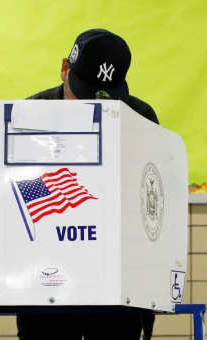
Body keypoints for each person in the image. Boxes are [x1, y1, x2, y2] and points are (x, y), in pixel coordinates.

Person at [17, 28, 159, 340]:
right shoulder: (28, 116)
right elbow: (18, 197)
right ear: (65, 68)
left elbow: (150, 198)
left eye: (104, 100)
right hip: (47, 281)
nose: (92, 110)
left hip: (117, 284)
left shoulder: (140, 116)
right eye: (83, 96)